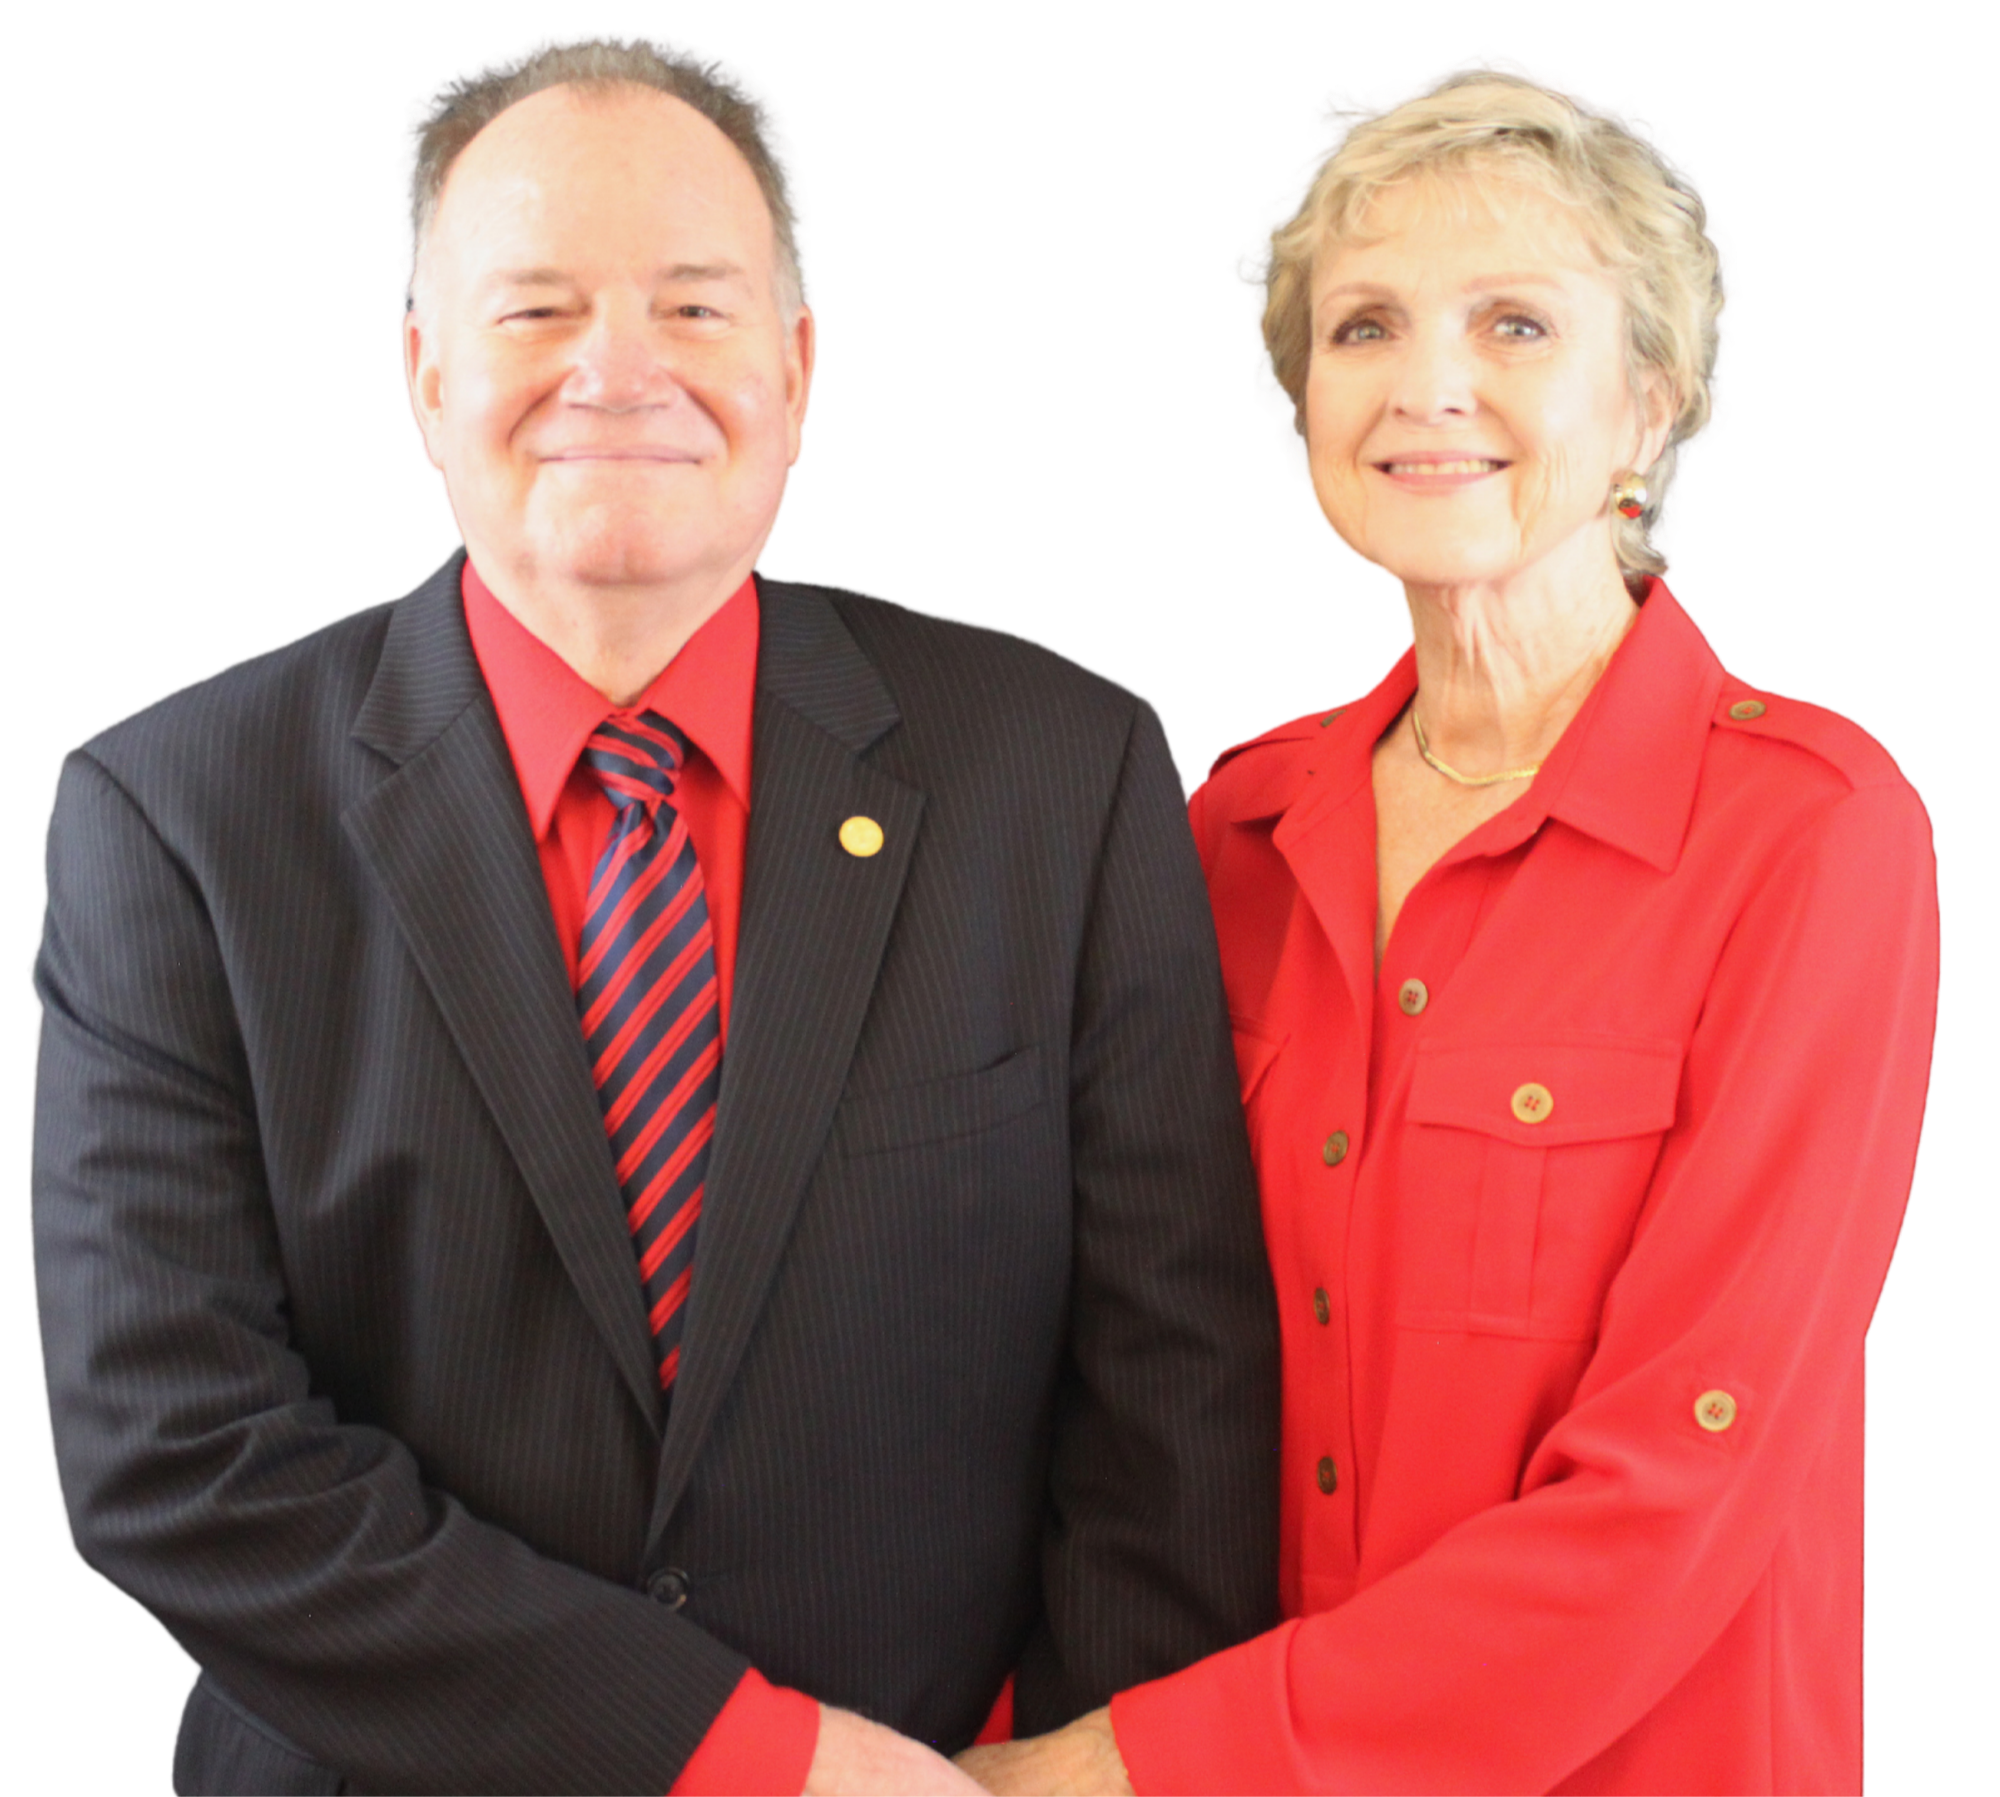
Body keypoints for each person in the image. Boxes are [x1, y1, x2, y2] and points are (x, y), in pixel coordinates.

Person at [28, 30, 1281, 1797]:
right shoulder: (173, 816)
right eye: (537, 309)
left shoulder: (1060, 771)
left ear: (791, 368)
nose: (620, 369)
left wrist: (1066, 1779)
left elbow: (1177, 1398)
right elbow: (179, 1455)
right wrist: (749, 1761)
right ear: (421, 372)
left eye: (695, 309)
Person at [956, 47, 1938, 1797]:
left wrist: (1123, 1766)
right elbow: (1120, 1371)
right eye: (1363, 330)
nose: (1428, 388)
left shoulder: (1809, 832)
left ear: (1652, 404)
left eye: (1515, 326)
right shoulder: (1229, 826)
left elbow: (1678, 1485)